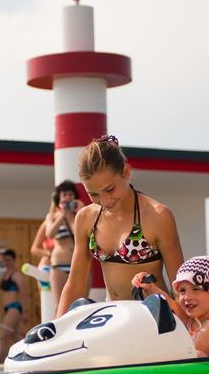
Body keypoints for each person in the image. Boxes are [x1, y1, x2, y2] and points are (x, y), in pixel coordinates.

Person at [55, 135, 184, 317]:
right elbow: (75, 285)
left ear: (125, 172)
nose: (105, 201)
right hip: (114, 321)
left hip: (155, 320)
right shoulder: (85, 218)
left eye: (109, 189)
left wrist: (192, 334)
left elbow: (180, 287)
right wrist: (56, 330)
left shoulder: (158, 216)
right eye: (94, 194)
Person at [132, 256, 209, 357]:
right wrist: (150, 288)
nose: (187, 297)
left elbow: (191, 353)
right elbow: (168, 302)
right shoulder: (191, 320)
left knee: (196, 354)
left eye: (196, 289)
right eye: (182, 291)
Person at [43, 180, 81, 309]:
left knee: (79, 306)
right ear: (58, 197)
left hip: (77, 265)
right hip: (59, 265)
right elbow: (50, 234)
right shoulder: (52, 216)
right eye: (64, 194)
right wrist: (62, 215)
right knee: (59, 306)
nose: (67, 197)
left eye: (70, 194)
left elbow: (80, 234)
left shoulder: (79, 215)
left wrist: (72, 214)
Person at [0, 248, 29, 363]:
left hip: (14, 308)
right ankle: (26, 359)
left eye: (9, 260)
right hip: (8, 309)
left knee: (2, 336)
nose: (6, 262)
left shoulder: (17, 275)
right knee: (16, 339)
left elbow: (24, 294)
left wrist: (24, 312)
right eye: (5, 260)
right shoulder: (5, 274)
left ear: (14, 260)